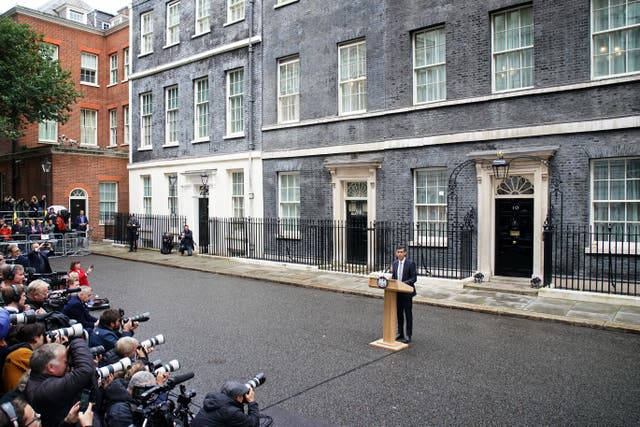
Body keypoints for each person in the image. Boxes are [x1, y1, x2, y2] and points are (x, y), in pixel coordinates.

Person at [25, 339, 96, 427]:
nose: (68, 364)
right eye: (65, 362)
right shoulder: (46, 390)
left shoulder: (38, 379)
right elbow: (85, 370)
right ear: (51, 367)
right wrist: (76, 341)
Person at [192, 379, 260, 427]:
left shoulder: (215, 399)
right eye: (242, 395)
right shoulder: (232, 412)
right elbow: (253, 424)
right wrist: (251, 402)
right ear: (238, 397)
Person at [1, 322, 46, 392]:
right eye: (42, 335)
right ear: (36, 338)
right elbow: (46, 370)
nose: (45, 338)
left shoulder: (19, 349)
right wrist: (53, 347)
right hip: (16, 397)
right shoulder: (24, 353)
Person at [391, 246, 417, 344]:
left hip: (407, 293)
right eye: (398, 252)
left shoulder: (410, 263)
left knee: (408, 314)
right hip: (398, 293)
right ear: (396, 253)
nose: (400, 254)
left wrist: (403, 284)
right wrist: (392, 280)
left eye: (402, 252)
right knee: (399, 314)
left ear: (405, 253)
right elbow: (394, 276)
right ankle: (400, 333)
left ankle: (408, 335)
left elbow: (414, 278)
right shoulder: (395, 263)